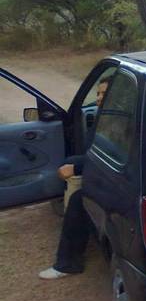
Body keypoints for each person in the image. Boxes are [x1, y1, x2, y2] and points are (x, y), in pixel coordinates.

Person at [38, 76, 110, 280]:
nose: (99, 98)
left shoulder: (118, 124)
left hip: (117, 177)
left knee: (80, 200)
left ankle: (68, 264)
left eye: (105, 94)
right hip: (105, 170)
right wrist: (74, 163)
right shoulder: (105, 117)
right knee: (68, 162)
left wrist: (77, 166)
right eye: (98, 93)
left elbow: (106, 158)